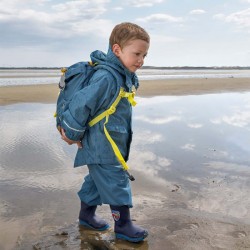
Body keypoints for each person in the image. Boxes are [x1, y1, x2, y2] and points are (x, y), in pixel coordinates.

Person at [60, 22, 150, 242]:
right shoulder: (107, 77)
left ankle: (86, 216)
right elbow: (82, 104)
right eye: (137, 54)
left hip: (109, 140)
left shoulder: (122, 75)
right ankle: (124, 225)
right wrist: (71, 134)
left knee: (96, 182)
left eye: (145, 55)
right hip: (102, 143)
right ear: (117, 50)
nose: (141, 60)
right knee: (116, 180)